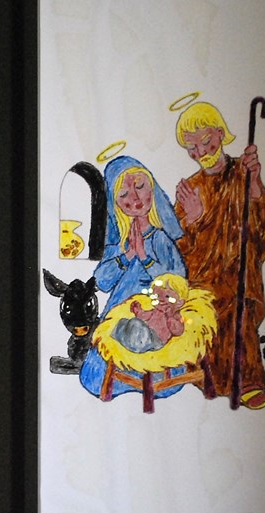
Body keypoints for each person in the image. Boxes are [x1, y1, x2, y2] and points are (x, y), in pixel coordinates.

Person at [173, 101, 265, 410]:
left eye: (206, 141)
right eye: (192, 148)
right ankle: (205, 378)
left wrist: (254, 186)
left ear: (220, 134)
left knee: (238, 300)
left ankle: (249, 381)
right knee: (202, 308)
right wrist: (195, 220)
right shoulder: (191, 188)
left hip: (240, 275)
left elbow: (262, 234)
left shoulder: (243, 174)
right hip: (204, 280)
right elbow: (181, 252)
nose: (201, 151)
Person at [79, 155, 188, 399]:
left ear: (152, 189)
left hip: (156, 310)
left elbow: (178, 279)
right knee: (107, 353)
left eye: (140, 186)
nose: (135, 199)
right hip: (122, 309)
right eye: (124, 194)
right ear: (115, 202)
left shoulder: (160, 239)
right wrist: (127, 255)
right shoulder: (118, 242)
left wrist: (145, 258)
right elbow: (102, 281)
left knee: (150, 342)